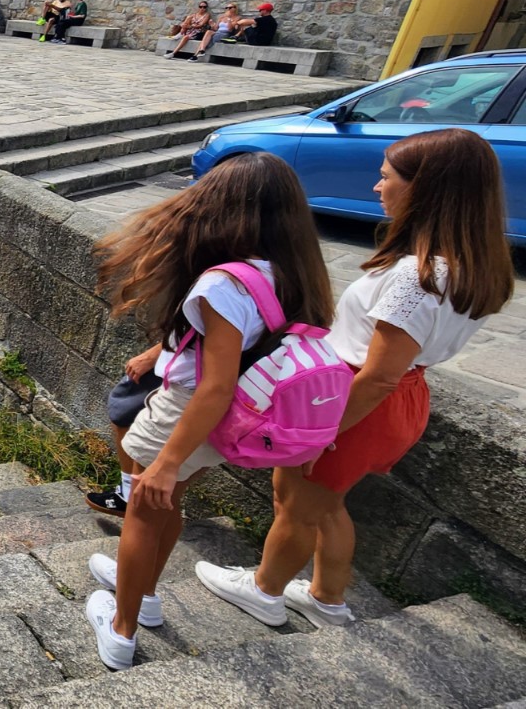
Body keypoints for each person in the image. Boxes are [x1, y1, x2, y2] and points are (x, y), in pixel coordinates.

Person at [197, 129, 514, 630]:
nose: (377, 187)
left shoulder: (417, 276)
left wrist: (323, 433)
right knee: (326, 502)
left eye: (387, 177)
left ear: (425, 189)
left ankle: (264, 591)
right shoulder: (470, 267)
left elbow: (380, 374)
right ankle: (327, 598)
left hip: (353, 399)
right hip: (394, 397)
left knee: (297, 505)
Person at [84, 152, 335, 670]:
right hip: (229, 421)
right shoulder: (289, 273)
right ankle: (143, 594)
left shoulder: (223, 284)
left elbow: (213, 385)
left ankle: (121, 629)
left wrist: (168, 460)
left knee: (142, 513)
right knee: (168, 505)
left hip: (186, 413)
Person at [82, 344, 163, 517]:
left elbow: (197, 329)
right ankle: (132, 495)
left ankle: (128, 495)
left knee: (124, 409)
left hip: (183, 364)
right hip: (188, 363)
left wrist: (154, 354)